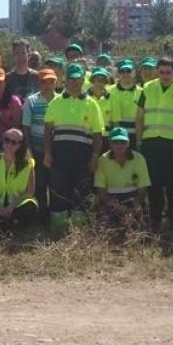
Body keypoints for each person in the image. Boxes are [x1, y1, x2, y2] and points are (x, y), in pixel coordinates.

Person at [134, 57, 173, 232]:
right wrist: (139, 142)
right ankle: (155, 219)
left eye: (168, 72)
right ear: (157, 72)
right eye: (161, 72)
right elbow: (139, 117)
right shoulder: (148, 88)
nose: (165, 76)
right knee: (153, 183)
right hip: (151, 143)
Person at [43, 63, 105, 232]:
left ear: (83, 80)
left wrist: (94, 157)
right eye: (71, 79)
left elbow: (98, 134)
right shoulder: (55, 102)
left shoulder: (92, 104)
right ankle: (58, 228)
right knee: (57, 190)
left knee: (81, 191)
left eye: (78, 79)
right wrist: (48, 153)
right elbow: (48, 129)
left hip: (83, 156)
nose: (75, 83)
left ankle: (78, 231)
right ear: (65, 80)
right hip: (59, 154)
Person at [94, 127, 150, 231]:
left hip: (133, 200)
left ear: (128, 143)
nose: (119, 145)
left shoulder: (139, 159)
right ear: (110, 143)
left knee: (140, 226)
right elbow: (101, 192)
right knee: (105, 227)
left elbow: (143, 189)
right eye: (116, 142)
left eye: (123, 142)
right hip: (111, 201)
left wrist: (132, 210)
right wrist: (119, 209)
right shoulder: (102, 160)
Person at [0, 128, 39, 231]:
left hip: (18, 203)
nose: (9, 144)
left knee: (30, 207)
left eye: (14, 142)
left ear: (20, 145)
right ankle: (9, 226)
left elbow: (30, 192)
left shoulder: (28, 164)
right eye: (7, 140)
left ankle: (6, 226)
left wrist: (12, 206)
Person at [21, 69, 58, 218]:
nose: (48, 85)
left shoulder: (61, 100)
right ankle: (41, 215)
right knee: (40, 184)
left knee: (55, 184)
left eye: (51, 82)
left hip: (57, 150)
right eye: (44, 82)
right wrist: (28, 149)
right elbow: (26, 127)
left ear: (56, 83)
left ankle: (55, 214)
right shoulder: (31, 101)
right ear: (39, 83)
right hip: (37, 150)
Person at [107, 59, 141, 144]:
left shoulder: (142, 92)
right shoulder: (108, 91)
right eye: (122, 71)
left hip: (135, 136)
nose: (125, 74)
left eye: (128, 71)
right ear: (118, 73)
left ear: (133, 73)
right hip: (115, 135)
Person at [87, 67, 114, 143]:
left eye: (103, 80)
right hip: (88, 137)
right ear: (92, 80)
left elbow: (115, 121)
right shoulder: (84, 98)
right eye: (98, 80)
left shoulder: (111, 98)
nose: (100, 83)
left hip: (106, 138)